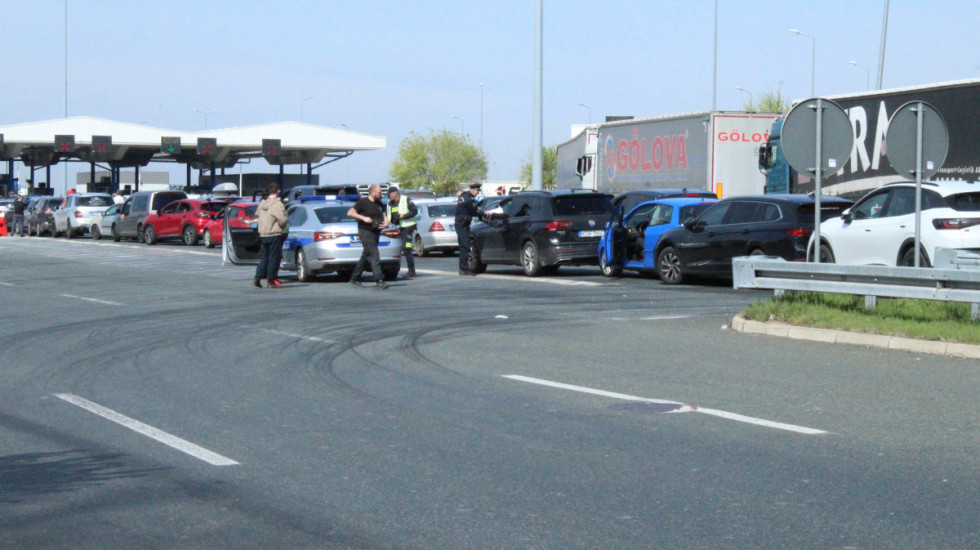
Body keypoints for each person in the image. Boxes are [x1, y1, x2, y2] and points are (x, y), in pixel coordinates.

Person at [347, 183, 389, 289]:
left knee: (366, 255)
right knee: (374, 255)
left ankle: (355, 278)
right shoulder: (363, 202)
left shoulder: (380, 204)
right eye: (380, 192)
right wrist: (363, 218)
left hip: (376, 232)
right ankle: (379, 279)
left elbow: (384, 215)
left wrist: (387, 223)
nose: (382, 194)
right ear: (374, 193)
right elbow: (350, 213)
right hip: (365, 231)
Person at [254, 182, 288, 288]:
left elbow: (257, 215)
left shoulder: (263, 203)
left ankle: (257, 277)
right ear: (278, 191)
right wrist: (283, 228)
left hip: (263, 234)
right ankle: (271, 281)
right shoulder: (277, 204)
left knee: (265, 257)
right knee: (274, 257)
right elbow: (282, 220)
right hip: (274, 234)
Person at [385, 187, 419, 278]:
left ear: (394, 194)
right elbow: (389, 217)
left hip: (408, 226)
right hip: (396, 228)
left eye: (389, 195)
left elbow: (414, 211)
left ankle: (412, 271)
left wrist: (404, 216)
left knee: (407, 248)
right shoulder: (389, 204)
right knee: (402, 249)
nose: (388, 197)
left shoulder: (406, 199)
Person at [455, 182, 482, 276]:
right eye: (477, 191)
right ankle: (463, 269)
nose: (478, 193)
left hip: (462, 224)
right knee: (465, 246)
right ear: (472, 190)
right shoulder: (468, 199)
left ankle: (463, 269)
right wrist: (483, 213)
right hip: (462, 224)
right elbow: (474, 211)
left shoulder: (464, 196)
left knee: (464, 246)